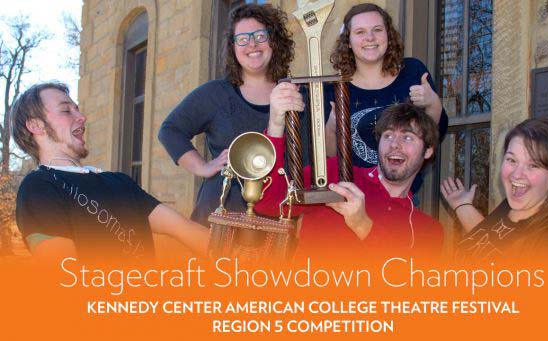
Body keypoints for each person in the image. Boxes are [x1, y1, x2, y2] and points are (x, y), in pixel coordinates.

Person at [11, 82, 209, 262]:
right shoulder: (38, 187)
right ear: (35, 125)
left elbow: (184, 229)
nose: (81, 117)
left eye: (77, 109)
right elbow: (64, 278)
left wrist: (236, 257)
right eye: (66, 110)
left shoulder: (120, 182)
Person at [256, 86, 443, 258]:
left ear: (428, 151)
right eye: (388, 135)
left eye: (408, 137)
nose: (395, 144)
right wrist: (276, 125)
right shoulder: (335, 175)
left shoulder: (427, 230)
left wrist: (362, 225)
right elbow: (267, 202)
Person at [158, 3, 297, 226]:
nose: (252, 43)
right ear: (233, 47)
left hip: (277, 224)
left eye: (260, 35)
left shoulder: (294, 94)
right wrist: (203, 168)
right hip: (217, 222)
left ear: (275, 40)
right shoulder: (215, 94)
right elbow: (170, 131)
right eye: (242, 38)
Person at [440, 118, 548, 262]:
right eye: (511, 160)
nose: (517, 174)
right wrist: (462, 206)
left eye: (533, 165)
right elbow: (489, 242)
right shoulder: (511, 206)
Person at [324, 3, 448, 177]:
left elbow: (432, 139)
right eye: (360, 32)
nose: (370, 38)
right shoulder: (333, 89)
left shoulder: (413, 72)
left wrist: (433, 104)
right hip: (353, 192)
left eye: (377, 29)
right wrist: (332, 126)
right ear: (348, 42)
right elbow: (328, 158)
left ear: (388, 35)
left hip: (403, 191)